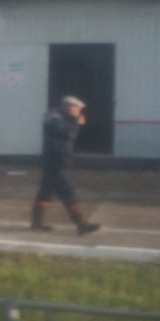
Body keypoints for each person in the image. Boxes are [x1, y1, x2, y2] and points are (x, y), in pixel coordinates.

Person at [31, 95, 100, 235]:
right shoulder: (54, 118)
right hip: (57, 160)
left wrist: (74, 119)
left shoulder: (57, 117)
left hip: (56, 159)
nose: (79, 112)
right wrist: (75, 121)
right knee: (68, 191)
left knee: (46, 191)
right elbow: (69, 134)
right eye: (77, 109)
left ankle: (36, 223)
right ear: (69, 107)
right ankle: (81, 224)